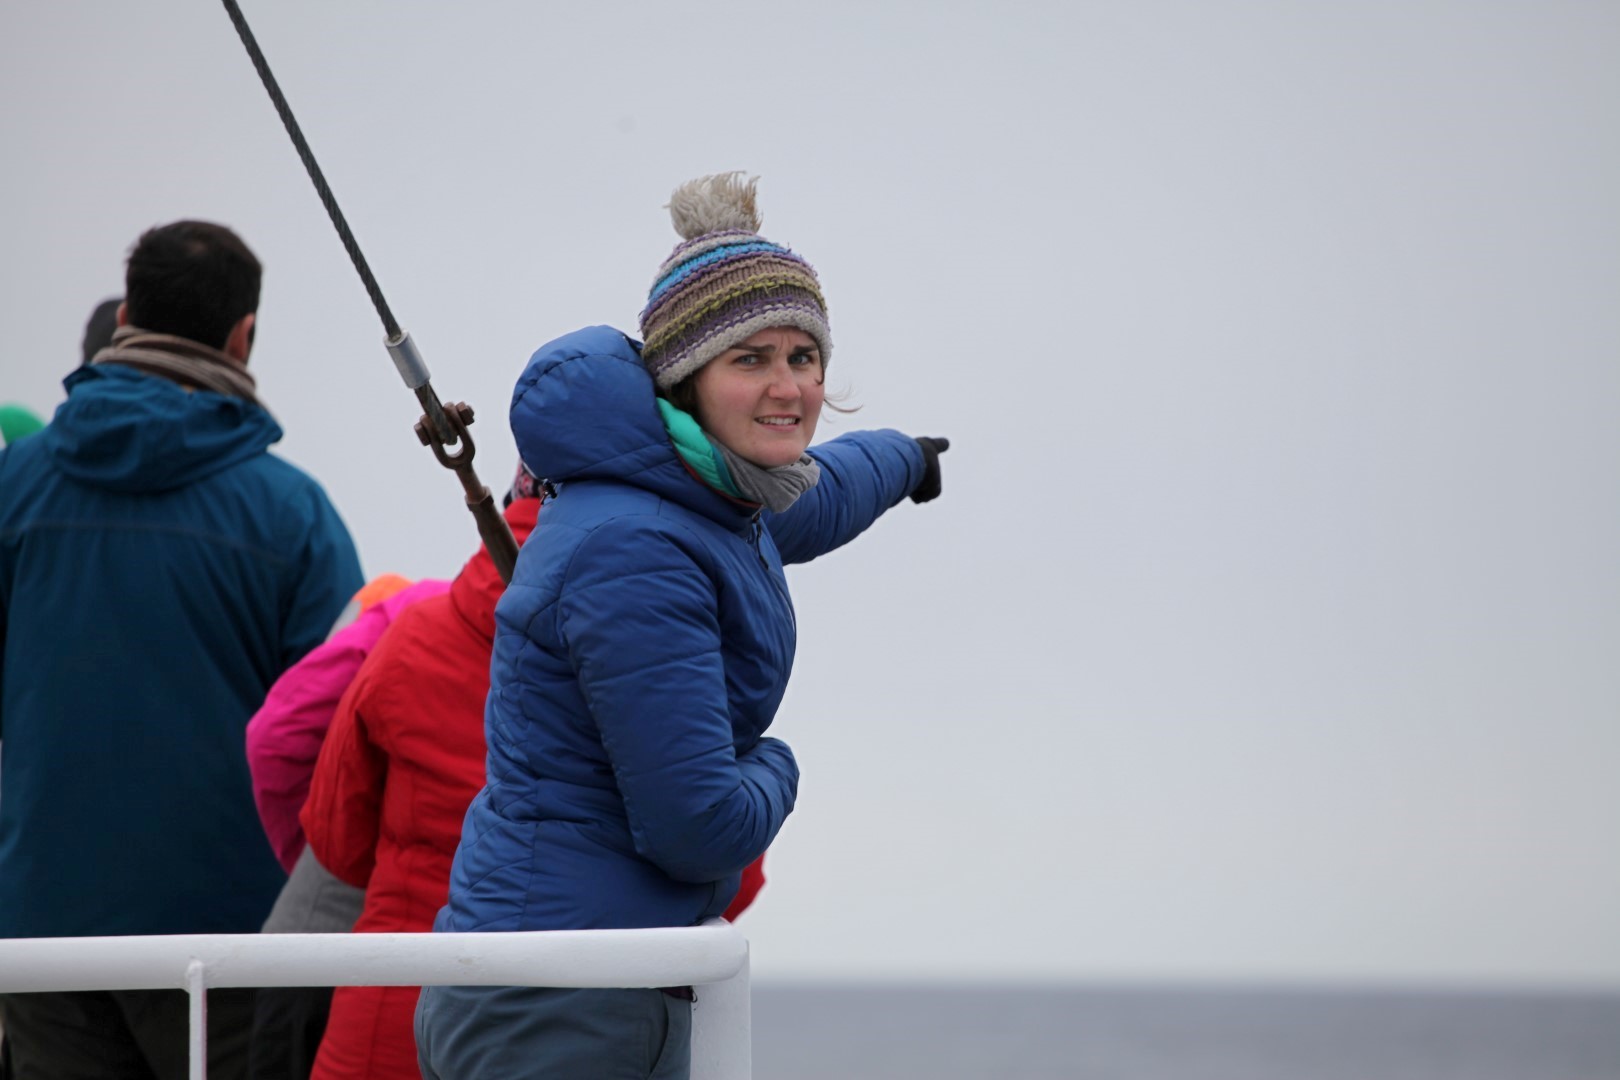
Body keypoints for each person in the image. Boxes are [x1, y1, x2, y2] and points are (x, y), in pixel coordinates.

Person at [414, 173, 948, 1079]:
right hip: (561, 999)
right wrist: (780, 765)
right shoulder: (639, 548)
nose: (788, 387)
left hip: (588, 975)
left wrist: (905, 460)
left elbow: (817, 498)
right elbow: (699, 825)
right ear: (685, 380)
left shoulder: (704, 495)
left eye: (804, 356)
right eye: (750, 360)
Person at [0, 220, 364, 1080]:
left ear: (126, 314)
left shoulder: (13, 489)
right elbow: (339, 732)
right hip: (230, 941)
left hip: (42, 931)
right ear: (243, 335)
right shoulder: (292, 515)